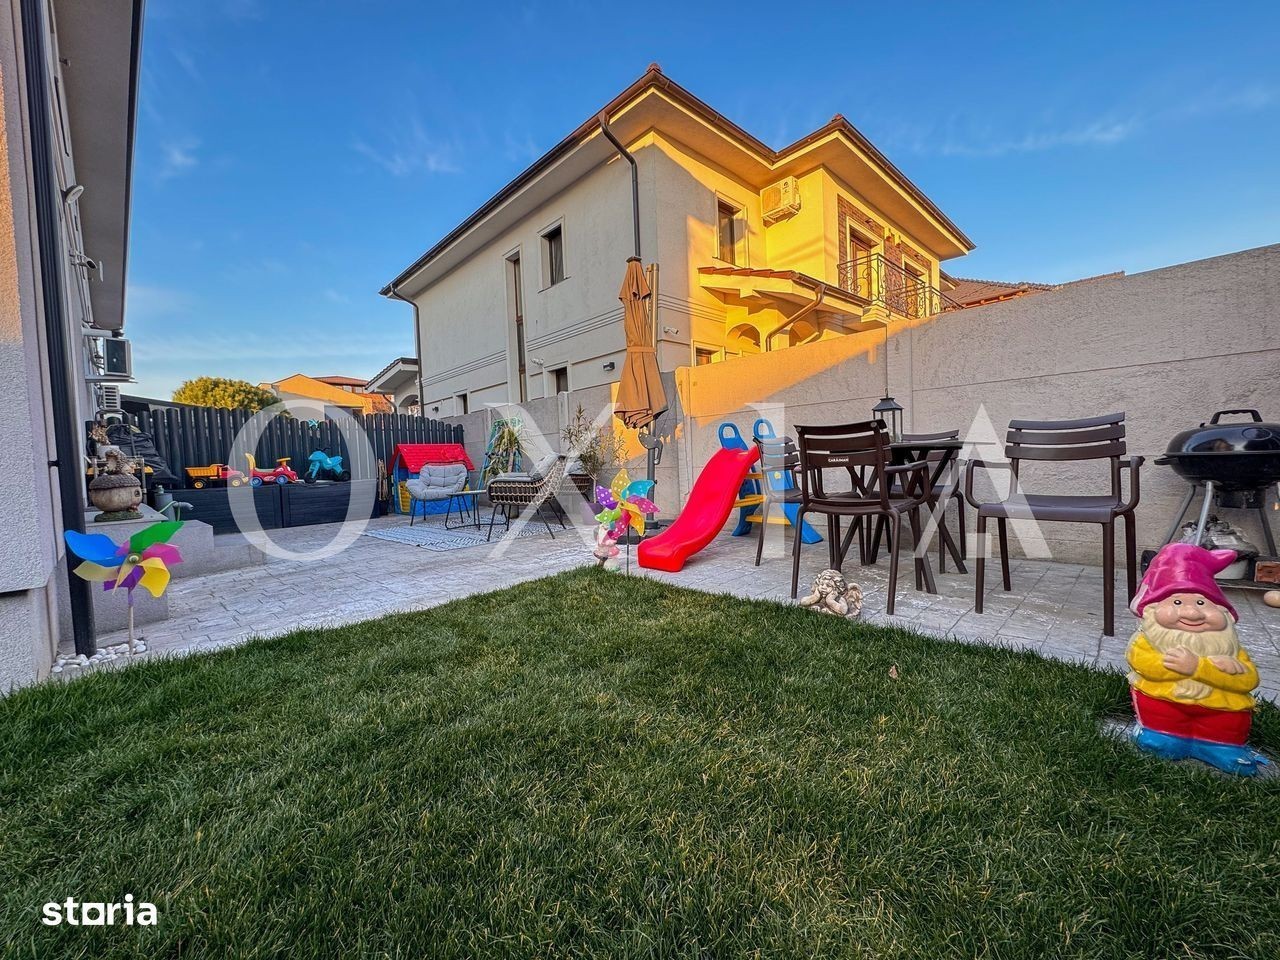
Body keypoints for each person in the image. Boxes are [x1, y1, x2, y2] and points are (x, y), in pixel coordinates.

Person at [1126, 543, 1268, 775]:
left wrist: (1198, 668)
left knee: (1226, 727)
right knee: (1162, 737)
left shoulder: (1227, 647)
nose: (1192, 613)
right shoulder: (1148, 641)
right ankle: (1163, 736)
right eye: (1177, 602)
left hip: (1222, 713)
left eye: (1201, 603)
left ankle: (1221, 746)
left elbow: (1248, 680)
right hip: (1164, 707)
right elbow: (1143, 663)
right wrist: (1177, 666)